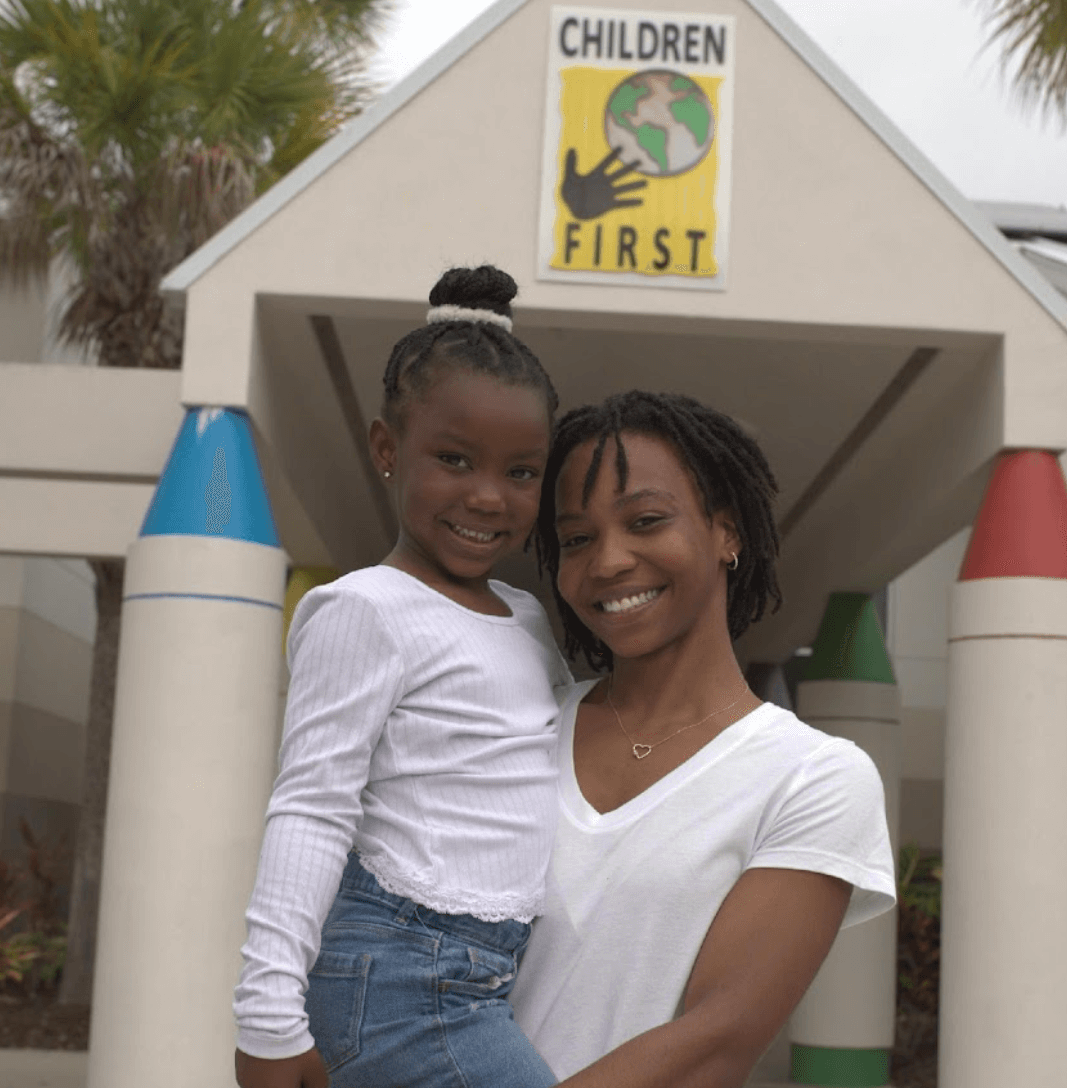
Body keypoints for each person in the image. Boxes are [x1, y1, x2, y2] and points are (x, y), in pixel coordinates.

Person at [232, 266, 568, 1088]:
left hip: (485, 980)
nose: (488, 497)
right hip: (403, 983)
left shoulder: (525, 616)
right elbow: (311, 806)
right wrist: (267, 1019)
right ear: (388, 450)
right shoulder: (365, 609)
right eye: (454, 460)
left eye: (521, 472)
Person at [515, 390, 897, 1088]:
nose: (608, 561)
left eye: (647, 520)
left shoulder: (811, 777)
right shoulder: (516, 727)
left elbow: (713, 1041)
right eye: (576, 538)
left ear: (727, 533)